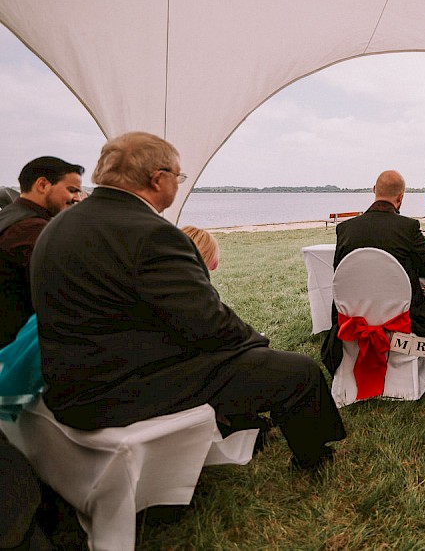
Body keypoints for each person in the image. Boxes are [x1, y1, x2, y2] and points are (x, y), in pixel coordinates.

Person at [32, 132, 345, 471]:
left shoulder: (58, 225)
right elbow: (209, 323)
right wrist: (259, 346)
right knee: (297, 371)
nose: (178, 184)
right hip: (121, 389)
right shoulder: (150, 232)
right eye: (178, 177)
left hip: (72, 385)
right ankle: (314, 460)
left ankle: (244, 426)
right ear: (157, 179)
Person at [323, 169, 425, 376]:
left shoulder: (345, 229)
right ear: (400, 197)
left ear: (374, 190)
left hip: (355, 317)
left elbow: (341, 276)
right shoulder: (407, 227)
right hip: (403, 318)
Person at [0, 156, 83, 348]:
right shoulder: (30, 229)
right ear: (43, 185)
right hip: (16, 341)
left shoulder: (10, 215)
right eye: (72, 190)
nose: (77, 198)